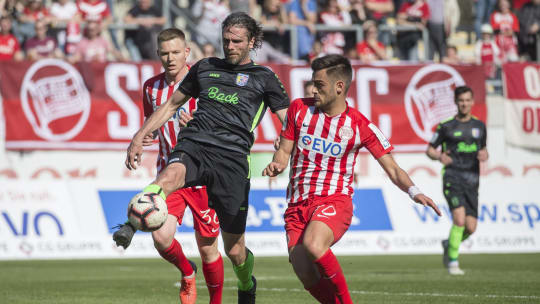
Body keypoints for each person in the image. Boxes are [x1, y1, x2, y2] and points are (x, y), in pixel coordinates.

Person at [123, 12, 290, 303]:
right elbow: (170, 105)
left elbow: (290, 122)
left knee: (235, 250)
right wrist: (139, 136)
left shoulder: (264, 78)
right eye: (225, 40)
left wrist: (283, 151)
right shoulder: (204, 67)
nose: (230, 46)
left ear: (251, 41)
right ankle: (137, 215)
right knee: (170, 174)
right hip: (195, 145)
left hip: (232, 160)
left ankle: (246, 283)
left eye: (237, 41)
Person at [263, 54, 441, 303]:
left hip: (333, 201)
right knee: (303, 269)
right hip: (297, 205)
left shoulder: (360, 125)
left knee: (314, 244)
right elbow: (283, 151)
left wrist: (414, 191)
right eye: (313, 83)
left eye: (320, 85)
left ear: (339, 87)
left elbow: (392, 168)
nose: (314, 90)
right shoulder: (298, 109)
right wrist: (277, 164)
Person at [113, 28, 224, 304]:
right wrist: (143, 137)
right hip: (168, 174)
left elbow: (224, 127)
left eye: (176, 52)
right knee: (161, 238)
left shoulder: (206, 84)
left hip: (204, 176)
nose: (170, 58)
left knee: (209, 249)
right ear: (158, 55)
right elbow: (153, 121)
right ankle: (187, 272)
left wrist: (200, 127)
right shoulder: (152, 87)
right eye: (165, 53)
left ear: (187, 52)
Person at [426, 86, 488, 276]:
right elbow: (429, 149)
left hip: (472, 180)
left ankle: (448, 244)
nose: (464, 104)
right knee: (459, 220)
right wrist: (439, 157)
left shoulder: (479, 126)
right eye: (461, 100)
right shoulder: (446, 126)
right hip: (452, 178)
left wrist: (485, 154)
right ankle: (453, 262)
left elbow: (484, 150)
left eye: (467, 100)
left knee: (471, 227)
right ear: (455, 102)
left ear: (472, 101)